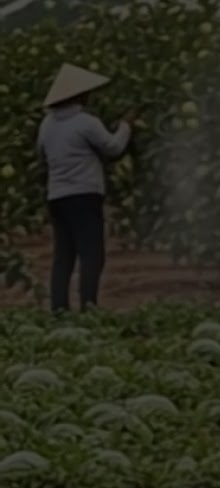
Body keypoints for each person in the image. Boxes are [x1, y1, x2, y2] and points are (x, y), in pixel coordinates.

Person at [36, 63, 134, 313]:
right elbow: (113, 148)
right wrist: (125, 126)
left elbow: (41, 155)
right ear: (78, 95)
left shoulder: (47, 125)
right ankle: (89, 307)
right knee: (92, 255)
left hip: (57, 196)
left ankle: (59, 310)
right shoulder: (85, 122)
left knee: (63, 257)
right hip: (84, 195)